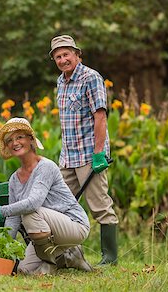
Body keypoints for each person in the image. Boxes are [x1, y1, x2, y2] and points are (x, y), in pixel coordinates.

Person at [0, 117, 92, 275]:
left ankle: (49, 265)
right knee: (23, 270)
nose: (15, 143)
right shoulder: (14, 179)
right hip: (48, 231)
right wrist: (3, 247)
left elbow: (33, 203)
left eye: (20, 137)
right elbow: (13, 219)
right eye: (10, 140)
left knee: (30, 213)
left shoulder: (46, 167)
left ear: (31, 139)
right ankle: (69, 256)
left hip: (74, 224)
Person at [50, 34, 119, 265]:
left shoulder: (91, 77)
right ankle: (68, 255)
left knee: (99, 206)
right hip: (68, 157)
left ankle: (109, 257)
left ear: (77, 54)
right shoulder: (61, 81)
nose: (62, 59)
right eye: (58, 56)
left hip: (90, 155)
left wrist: (99, 153)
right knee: (60, 206)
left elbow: (100, 116)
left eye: (66, 54)